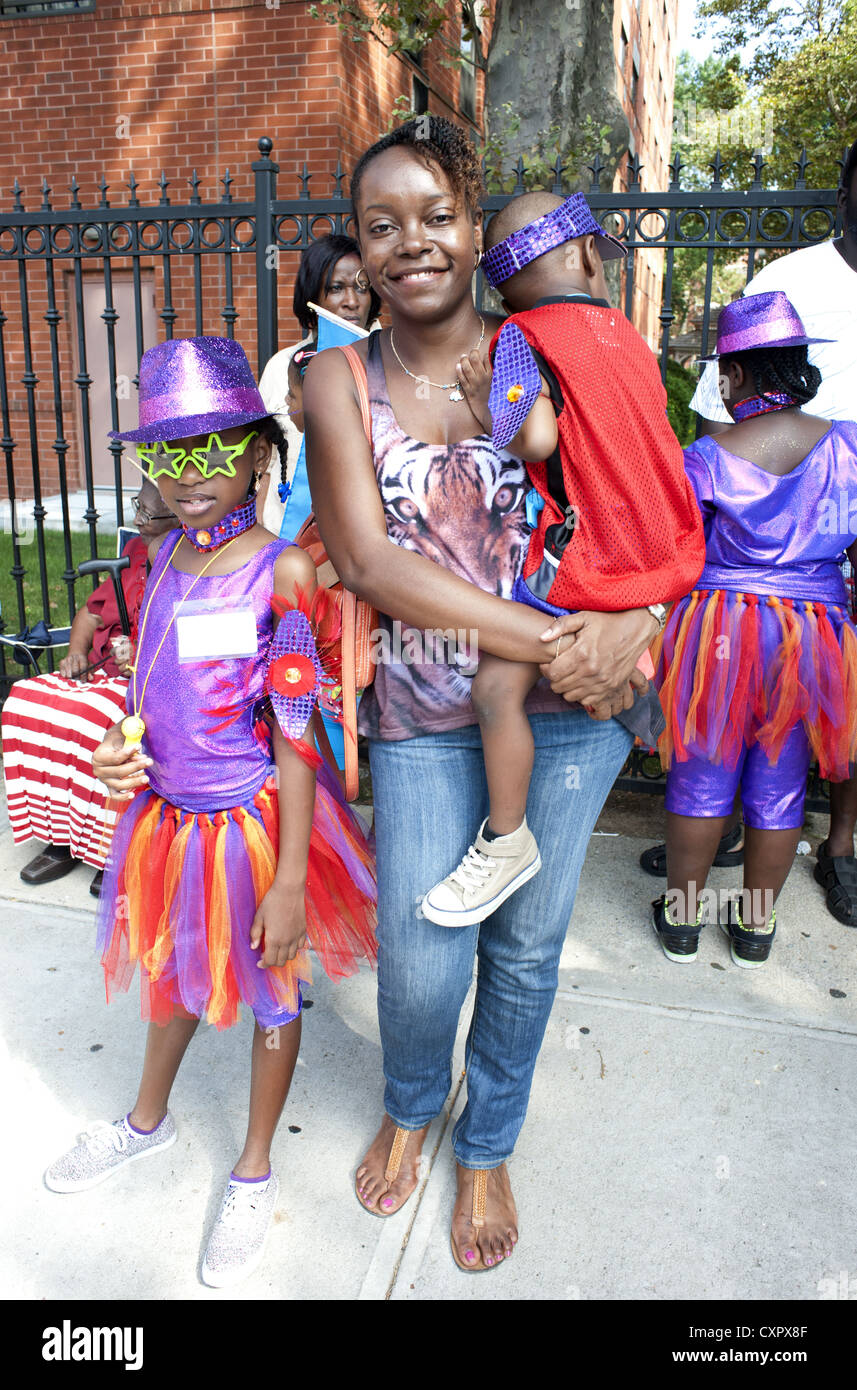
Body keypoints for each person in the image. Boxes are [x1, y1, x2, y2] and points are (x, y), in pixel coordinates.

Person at [303, 116, 669, 1271]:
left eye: (435, 216)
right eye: (380, 225)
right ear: (356, 248)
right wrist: (563, 634)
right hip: (421, 716)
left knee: (525, 946)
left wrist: (643, 618)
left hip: (570, 721)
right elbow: (369, 564)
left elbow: (652, 493)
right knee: (419, 955)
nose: (409, 243)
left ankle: (489, 1137)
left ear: (474, 226)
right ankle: (414, 1099)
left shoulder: (550, 345)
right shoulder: (334, 377)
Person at [43, 337, 378, 1289]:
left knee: (270, 992)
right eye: (167, 453)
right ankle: (145, 1123)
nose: (188, 476)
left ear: (258, 454)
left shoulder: (283, 575)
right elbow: (150, 687)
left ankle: (253, 1169)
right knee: (170, 970)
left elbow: (298, 732)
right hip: (166, 820)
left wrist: (285, 880)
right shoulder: (154, 558)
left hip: (249, 827)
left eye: (210, 450)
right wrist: (121, 745)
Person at [420, 190, 705, 927]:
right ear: (584, 254)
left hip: (582, 556)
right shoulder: (625, 335)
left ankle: (507, 839)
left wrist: (490, 405)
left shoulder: (520, 335)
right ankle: (638, 708)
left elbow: (536, 439)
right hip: (654, 551)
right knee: (582, 659)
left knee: (493, 691)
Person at [644, 137, 857, 912]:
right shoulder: (848, 448)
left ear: (732, 374)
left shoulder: (706, 458)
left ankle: (680, 919)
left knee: (702, 770)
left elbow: (672, 549)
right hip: (818, 630)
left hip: (720, 627)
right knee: (780, 778)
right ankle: (757, 930)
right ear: (799, 365)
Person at [1, 481, 177, 897]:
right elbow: (91, 614)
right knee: (27, 702)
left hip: (151, 680)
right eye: (138, 508)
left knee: (94, 722)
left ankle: (109, 850)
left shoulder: (193, 560)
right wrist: (77, 654)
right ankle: (60, 838)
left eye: (148, 515)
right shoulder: (136, 552)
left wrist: (142, 652)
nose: (136, 520)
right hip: (102, 671)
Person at [257, 234, 381, 533]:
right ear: (313, 295)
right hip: (281, 536)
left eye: (362, 288)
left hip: (362, 538)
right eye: (336, 288)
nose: (351, 302)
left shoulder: (392, 361)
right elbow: (262, 458)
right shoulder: (280, 367)